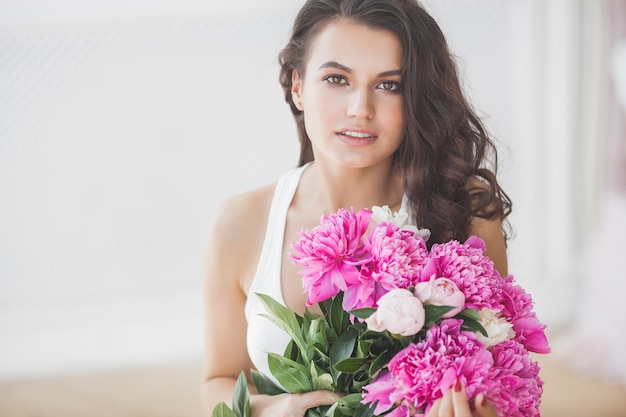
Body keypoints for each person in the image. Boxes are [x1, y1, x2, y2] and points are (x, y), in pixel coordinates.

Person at [202, 0, 512, 416]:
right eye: (336, 79)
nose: (360, 109)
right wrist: (275, 410)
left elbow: (504, 373)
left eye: (389, 85)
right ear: (298, 87)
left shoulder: (463, 211)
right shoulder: (239, 224)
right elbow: (216, 383)